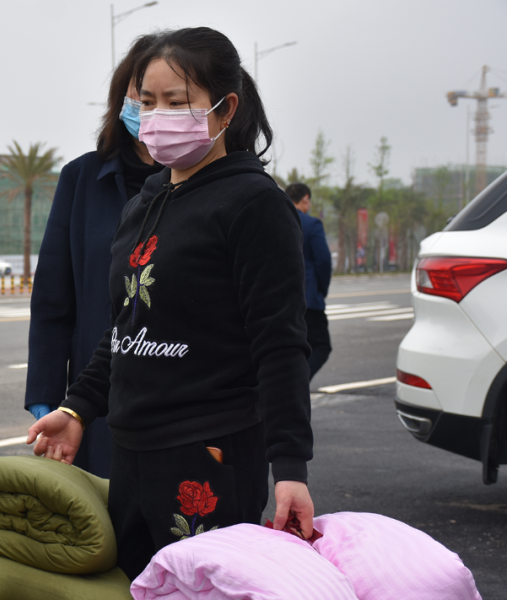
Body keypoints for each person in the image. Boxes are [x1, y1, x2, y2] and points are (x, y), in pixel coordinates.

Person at [27, 27, 315, 580]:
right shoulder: (146, 201)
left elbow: (280, 346)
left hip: (209, 455)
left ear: (225, 108)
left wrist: (290, 468)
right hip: (131, 453)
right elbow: (125, 326)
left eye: (177, 102)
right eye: (147, 101)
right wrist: (77, 408)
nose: (158, 116)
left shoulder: (254, 204)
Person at [25, 34, 162, 479]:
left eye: (168, 99)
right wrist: (45, 392)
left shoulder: (201, 182)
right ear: (122, 98)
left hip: (176, 392)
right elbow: (53, 295)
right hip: (94, 391)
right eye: (141, 96)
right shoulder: (82, 177)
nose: (151, 108)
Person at [286, 182, 332, 379]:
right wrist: (321, 289)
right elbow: (323, 261)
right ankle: (296, 384)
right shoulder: (312, 225)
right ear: (305, 199)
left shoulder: (274, 221)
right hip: (308, 299)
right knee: (320, 346)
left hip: (281, 299)